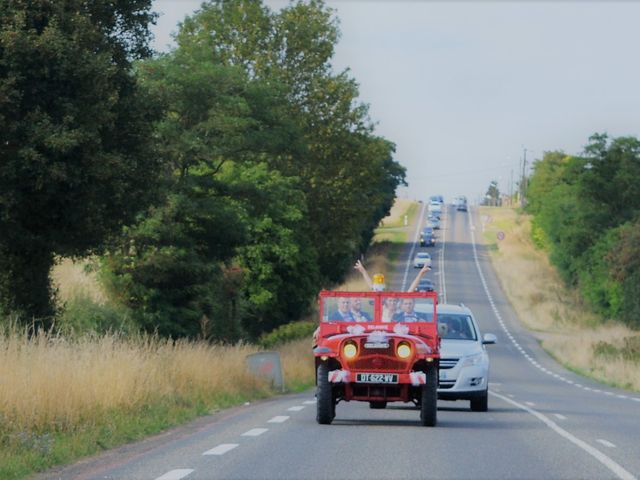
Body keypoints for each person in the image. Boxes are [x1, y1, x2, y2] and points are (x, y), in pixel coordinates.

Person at [354, 259, 430, 292]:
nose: (392, 303)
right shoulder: (376, 302)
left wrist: (421, 273)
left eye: (392, 301)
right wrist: (363, 271)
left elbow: (410, 290)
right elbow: (371, 285)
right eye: (376, 290)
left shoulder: (397, 309)